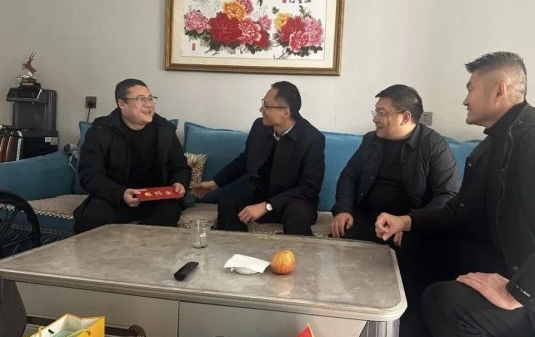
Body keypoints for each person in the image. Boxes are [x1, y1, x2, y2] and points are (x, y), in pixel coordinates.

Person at [376, 52, 535, 337]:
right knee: (413, 247)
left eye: (471, 89)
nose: (465, 99)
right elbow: (459, 214)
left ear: (499, 91)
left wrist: (517, 292)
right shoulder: (489, 148)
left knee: (444, 301)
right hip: (509, 263)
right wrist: (407, 221)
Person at [192, 81, 325, 236]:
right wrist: (215, 183)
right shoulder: (259, 127)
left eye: (266, 106)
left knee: (297, 213)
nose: (261, 109)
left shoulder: (312, 139)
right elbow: (245, 160)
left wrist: (267, 206)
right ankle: (236, 249)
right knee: (229, 203)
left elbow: (308, 188)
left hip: (294, 203)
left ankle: (295, 252)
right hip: (261, 200)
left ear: (285, 112)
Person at [329, 84, 459, 242]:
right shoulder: (371, 140)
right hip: (367, 218)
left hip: (408, 224)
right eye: (376, 112)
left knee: (414, 247)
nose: (375, 119)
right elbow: (350, 176)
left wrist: (410, 223)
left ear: (405, 117)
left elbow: (447, 195)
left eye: (381, 113)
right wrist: (343, 209)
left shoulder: (434, 145)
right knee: (339, 239)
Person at [74, 79, 191, 233]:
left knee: (167, 214)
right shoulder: (100, 131)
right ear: (122, 104)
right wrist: (120, 193)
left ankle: (143, 248)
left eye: (150, 98)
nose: (149, 105)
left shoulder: (164, 130)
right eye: (141, 99)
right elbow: (89, 175)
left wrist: (179, 183)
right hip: (116, 196)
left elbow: (181, 168)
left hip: (156, 198)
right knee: (93, 218)